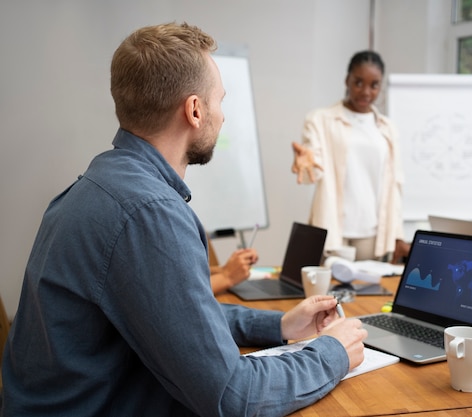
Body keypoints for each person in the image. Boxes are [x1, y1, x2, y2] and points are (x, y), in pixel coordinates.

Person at [1, 22, 367, 417]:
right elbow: (233, 397)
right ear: (195, 110)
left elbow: (175, 313)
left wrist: (278, 327)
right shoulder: (149, 213)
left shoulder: (102, 182)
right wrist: (332, 351)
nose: (223, 117)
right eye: (220, 101)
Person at [291, 50, 409, 263]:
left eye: (374, 85)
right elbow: (312, 172)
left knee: (369, 295)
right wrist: (306, 163)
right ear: (347, 80)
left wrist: (398, 234)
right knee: (330, 295)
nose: (365, 92)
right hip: (334, 229)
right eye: (358, 82)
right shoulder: (320, 120)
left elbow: (395, 185)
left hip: (372, 234)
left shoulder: (388, 129)